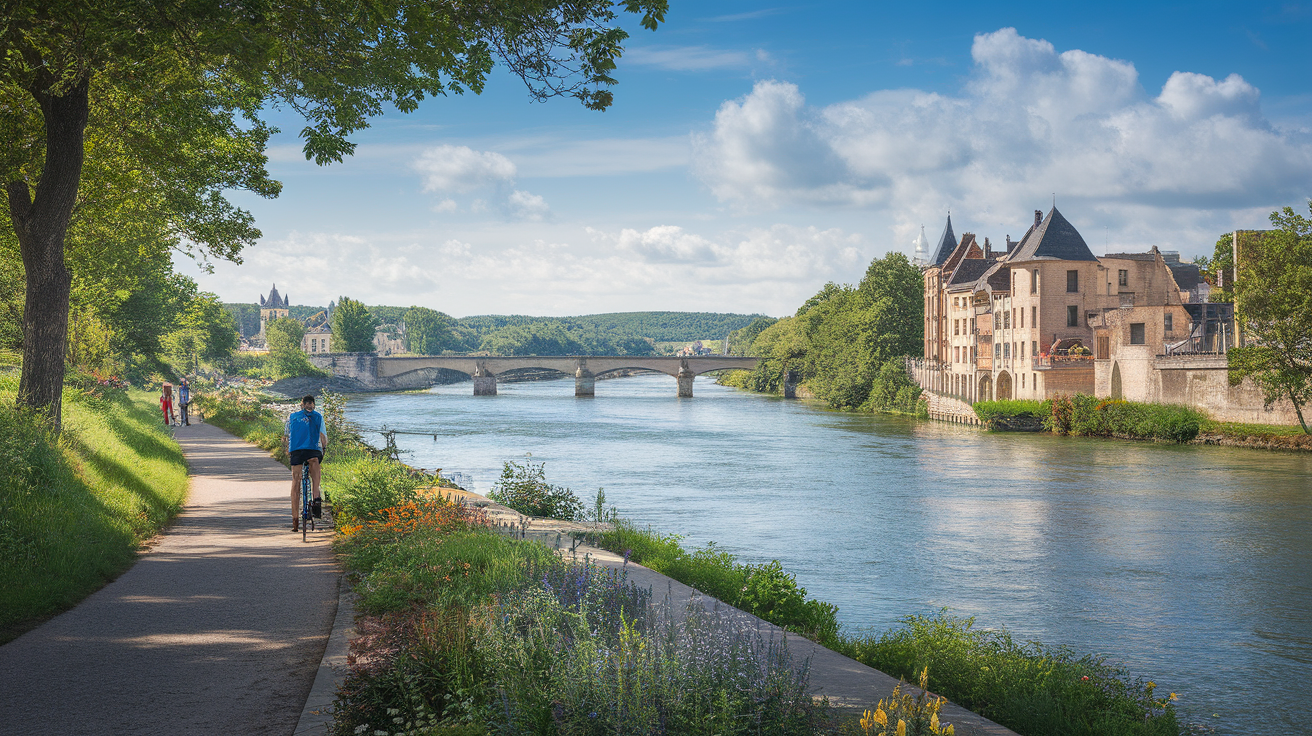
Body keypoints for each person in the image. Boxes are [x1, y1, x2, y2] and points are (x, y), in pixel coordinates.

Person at [284, 394, 327, 532]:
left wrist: (288, 450)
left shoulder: (292, 417)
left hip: (296, 451)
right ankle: (316, 497)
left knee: (295, 481)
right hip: (313, 451)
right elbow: (323, 437)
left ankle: (295, 521)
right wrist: (324, 449)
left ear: (301, 405)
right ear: (313, 405)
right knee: (315, 467)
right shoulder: (318, 417)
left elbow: (286, 436)